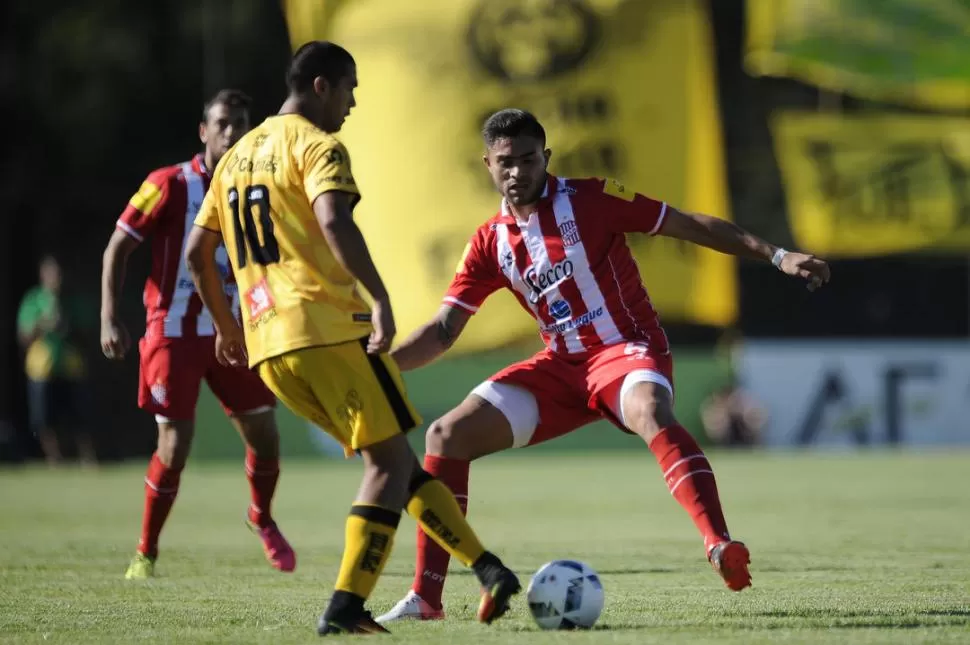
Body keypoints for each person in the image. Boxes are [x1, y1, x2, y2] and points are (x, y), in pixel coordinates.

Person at [377, 108, 832, 622]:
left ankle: (718, 543)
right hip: (560, 366)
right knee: (445, 435)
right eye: (506, 162)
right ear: (487, 163)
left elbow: (685, 223)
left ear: (545, 157)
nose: (518, 172)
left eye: (529, 159)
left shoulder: (591, 199)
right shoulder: (489, 242)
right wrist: (380, 370)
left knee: (649, 410)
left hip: (624, 349)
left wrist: (775, 255)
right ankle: (426, 599)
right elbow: (441, 332)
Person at [183, 41, 520, 636]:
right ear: (321, 86)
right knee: (388, 465)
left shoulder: (235, 157)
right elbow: (335, 219)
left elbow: (196, 252)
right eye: (349, 89)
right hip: (326, 328)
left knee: (391, 460)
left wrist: (227, 323)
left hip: (267, 348)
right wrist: (382, 300)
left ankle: (488, 569)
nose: (353, 102)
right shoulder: (317, 146)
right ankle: (345, 606)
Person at [100, 89, 294, 580]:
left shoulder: (254, 189)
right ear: (203, 131)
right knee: (174, 445)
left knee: (266, 436)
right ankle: (146, 552)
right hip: (175, 332)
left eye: (240, 125)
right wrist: (109, 316)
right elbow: (117, 248)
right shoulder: (167, 184)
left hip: (233, 331)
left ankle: (261, 517)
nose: (232, 133)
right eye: (223, 124)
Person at [18, 255, 97, 466]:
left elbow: (87, 334)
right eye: (51, 274)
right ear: (43, 275)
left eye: (58, 274)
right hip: (41, 368)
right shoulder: (34, 299)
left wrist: (68, 324)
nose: (55, 279)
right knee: (43, 418)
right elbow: (23, 335)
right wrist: (43, 324)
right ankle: (54, 458)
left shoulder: (73, 301)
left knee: (80, 416)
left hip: (71, 367)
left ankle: (87, 458)